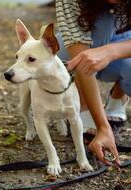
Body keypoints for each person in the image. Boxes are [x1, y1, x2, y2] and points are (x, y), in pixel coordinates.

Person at [55, 0, 131, 165]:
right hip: (84, 40)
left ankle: (119, 95)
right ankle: (84, 105)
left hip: (124, 41)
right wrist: (103, 126)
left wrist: (112, 51)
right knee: (60, 59)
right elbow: (82, 58)